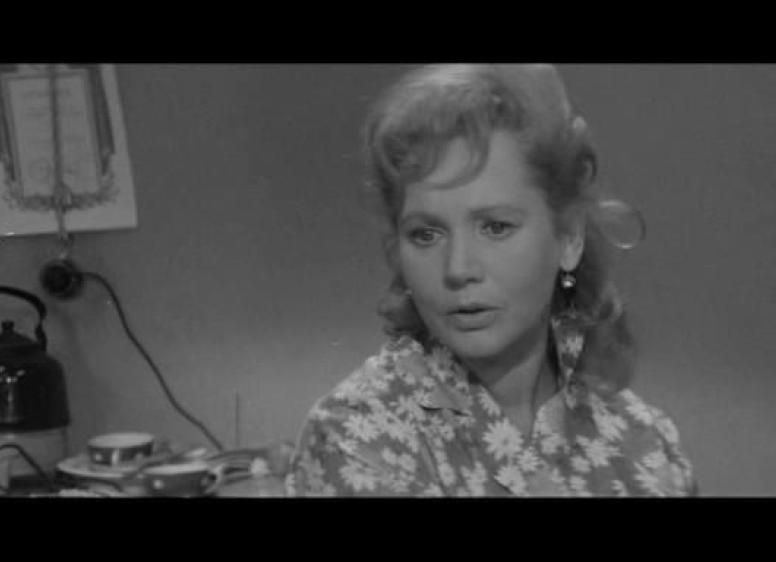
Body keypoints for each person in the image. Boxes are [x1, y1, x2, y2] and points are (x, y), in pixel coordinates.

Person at [285, 64, 697, 497]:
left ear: (569, 238)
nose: (458, 268)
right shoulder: (356, 439)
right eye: (426, 235)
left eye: (495, 227)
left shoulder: (645, 447)